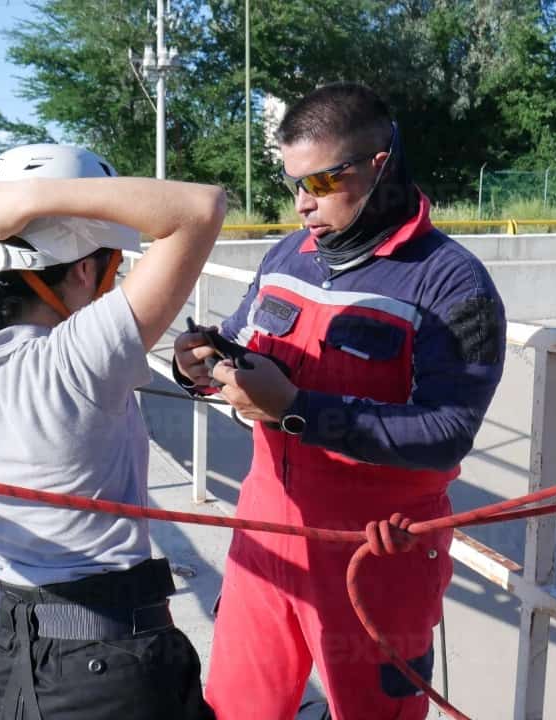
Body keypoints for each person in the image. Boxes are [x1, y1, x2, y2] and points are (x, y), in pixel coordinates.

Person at [173, 83, 507, 720]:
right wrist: (199, 363)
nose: (301, 204)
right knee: (236, 709)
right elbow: (241, 341)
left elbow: (448, 431)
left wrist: (295, 407)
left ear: (380, 166)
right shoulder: (285, 256)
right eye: (291, 182)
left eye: (322, 183)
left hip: (376, 557)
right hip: (264, 534)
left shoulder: (452, 282)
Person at [0, 143, 225, 720]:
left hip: (4, 648)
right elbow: (200, 208)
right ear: (85, 268)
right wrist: (27, 200)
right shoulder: (78, 359)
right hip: (105, 663)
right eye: (111, 269)